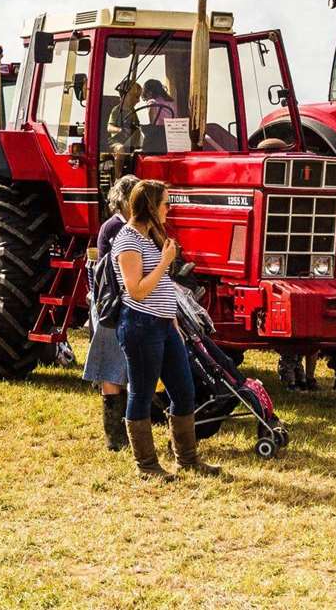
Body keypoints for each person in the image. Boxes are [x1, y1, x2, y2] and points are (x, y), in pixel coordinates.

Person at [114, 179, 220, 479]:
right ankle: (147, 465)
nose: (169, 210)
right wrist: (164, 262)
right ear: (150, 205)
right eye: (165, 204)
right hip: (140, 326)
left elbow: (160, 287)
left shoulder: (149, 238)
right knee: (142, 395)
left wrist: (172, 318)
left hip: (164, 326)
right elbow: (136, 290)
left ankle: (187, 459)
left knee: (184, 391)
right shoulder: (128, 241)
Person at [83, 174, 138, 452]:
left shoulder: (130, 227)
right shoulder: (114, 227)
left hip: (126, 305)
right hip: (113, 307)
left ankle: (126, 432)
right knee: (112, 370)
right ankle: (115, 437)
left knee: (124, 370)